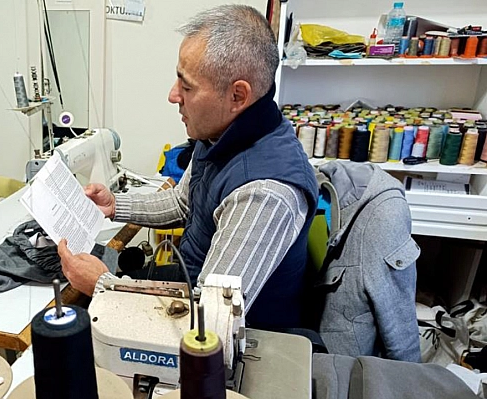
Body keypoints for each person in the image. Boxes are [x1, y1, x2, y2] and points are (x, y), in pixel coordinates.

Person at [58, 4, 318, 329]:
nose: (172, 95)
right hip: (188, 285)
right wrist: (115, 205)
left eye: (187, 86)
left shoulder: (263, 192)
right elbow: (183, 202)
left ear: (238, 95)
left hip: (231, 339)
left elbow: (209, 323)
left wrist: (103, 286)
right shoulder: (222, 134)